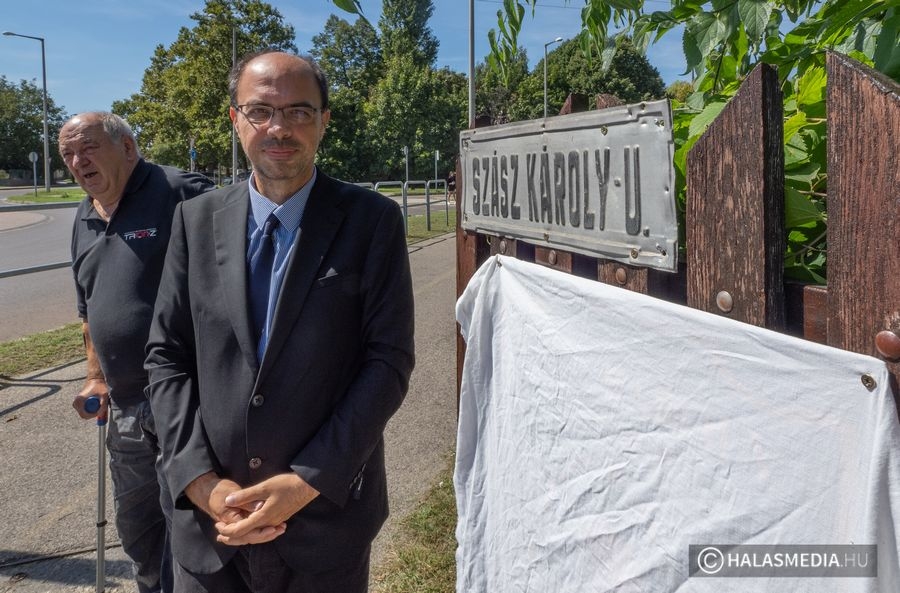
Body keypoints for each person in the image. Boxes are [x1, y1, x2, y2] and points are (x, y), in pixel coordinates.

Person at [144, 51, 415, 592]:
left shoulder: (372, 221)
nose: (279, 128)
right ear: (235, 119)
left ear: (324, 120)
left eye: (298, 112)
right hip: (211, 526)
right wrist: (198, 479)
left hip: (323, 521)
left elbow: (387, 362)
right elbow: (166, 355)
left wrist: (308, 480)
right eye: (260, 111)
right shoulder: (194, 220)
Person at [61, 112, 215, 593]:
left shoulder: (180, 192)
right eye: (68, 154)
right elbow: (89, 313)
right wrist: (96, 377)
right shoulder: (84, 217)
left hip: (185, 397)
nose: (77, 161)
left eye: (88, 147)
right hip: (125, 407)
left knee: (189, 528)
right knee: (139, 530)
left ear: (127, 147)